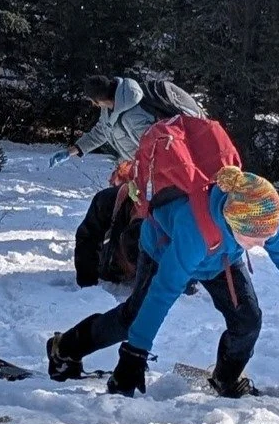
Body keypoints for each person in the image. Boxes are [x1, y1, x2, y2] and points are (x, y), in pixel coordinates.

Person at [47, 165, 279, 396]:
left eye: (267, 237)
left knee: (247, 319)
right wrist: (135, 353)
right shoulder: (194, 231)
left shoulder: (261, 215)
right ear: (233, 223)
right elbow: (163, 292)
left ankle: (226, 378)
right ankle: (66, 348)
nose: (263, 243)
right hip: (163, 249)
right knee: (134, 318)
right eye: (256, 239)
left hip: (221, 258)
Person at [54, 74, 201, 288]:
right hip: (137, 174)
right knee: (111, 212)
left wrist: (138, 179)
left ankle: (169, 278)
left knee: (147, 226)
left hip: (158, 180)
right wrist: (74, 150)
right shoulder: (111, 107)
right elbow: (101, 132)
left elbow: (156, 150)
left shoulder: (135, 115)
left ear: (98, 100)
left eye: (93, 102)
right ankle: (99, 273)